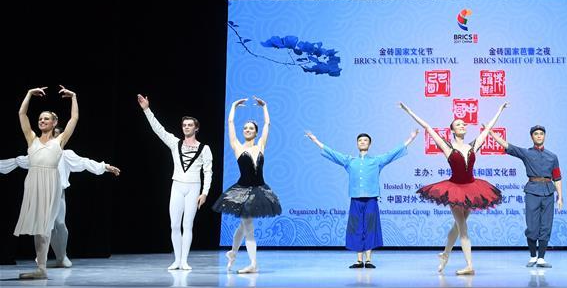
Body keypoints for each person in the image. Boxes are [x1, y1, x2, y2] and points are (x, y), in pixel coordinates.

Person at [399, 101, 508, 275]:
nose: (463, 125)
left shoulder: (472, 146)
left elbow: (487, 130)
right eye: (458, 124)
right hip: (455, 191)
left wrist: (499, 110)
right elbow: (428, 127)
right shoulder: (447, 147)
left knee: (457, 226)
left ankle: (445, 255)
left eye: (464, 124)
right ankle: (470, 265)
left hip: (472, 190)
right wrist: (409, 111)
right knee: (463, 228)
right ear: (453, 130)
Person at [2, 127, 120, 268]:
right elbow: (18, 161)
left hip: (58, 193)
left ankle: (62, 255)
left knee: (60, 224)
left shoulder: (66, 155)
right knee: (47, 227)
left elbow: (84, 162)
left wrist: (105, 167)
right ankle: (57, 257)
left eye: (57, 135)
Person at [306, 127, 419, 268]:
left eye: (365, 140)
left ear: (369, 144)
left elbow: (393, 153)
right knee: (356, 228)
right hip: (356, 199)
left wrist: (411, 138)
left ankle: (369, 260)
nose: (363, 142)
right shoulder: (350, 161)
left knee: (370, 227)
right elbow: (332, 154)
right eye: (360, 140)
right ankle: (359, 260)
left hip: (371, 199)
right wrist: (315, 140)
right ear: (357, 144)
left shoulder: (377, 161)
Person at [137, 94, 213, 270]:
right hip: (177, 185)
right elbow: (159, 129)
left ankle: (185, 260)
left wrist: (205, 192)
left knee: (188, 224)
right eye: (184, 125)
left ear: (196, 128)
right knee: (174, 224)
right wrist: (147, 109)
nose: (186, 127)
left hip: (194, 187)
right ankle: (177, 259)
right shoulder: (175, 143)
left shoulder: (205, 148)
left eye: (190, 125)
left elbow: (208, 172)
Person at [13, 86, 79, 279]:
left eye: (46, 118)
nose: (42, 120)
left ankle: (41, 269)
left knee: (45, 225)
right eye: (40, 118)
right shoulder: (31, 139)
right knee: (37, 226)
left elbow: (74, 118)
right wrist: (28, 94)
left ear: (54, 122)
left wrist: (73, 97)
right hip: (33, 183)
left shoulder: (59, 141)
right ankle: (41, 267)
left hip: (51, 184)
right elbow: (21, 113)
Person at [213, 97, 281, 273]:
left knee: (244, 226)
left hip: (259, 190)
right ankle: (253, 264)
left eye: (251, 128)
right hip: (242, 191)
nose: (247, 130)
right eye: (245, 128)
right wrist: (234, 106)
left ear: (256, 132)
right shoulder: (237, 146)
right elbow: (230, 122)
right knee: (248, 226)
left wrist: (264, 106)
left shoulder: (261, 146)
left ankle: (233, 253)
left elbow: (267, 124)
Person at [486, 125, 562, 268]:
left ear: (544, 136)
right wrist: (491, 133)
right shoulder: (526, 153)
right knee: (532, 227)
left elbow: (557, 177)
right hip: (532, 191)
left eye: (541, 134)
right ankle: (533, 256)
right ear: (532, 137)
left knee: (546, 225)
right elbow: (508, 145)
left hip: (548, 192)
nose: (539, 136)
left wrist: (560, 196)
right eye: (536, 134)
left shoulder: (552, 157)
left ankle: (541, 258)